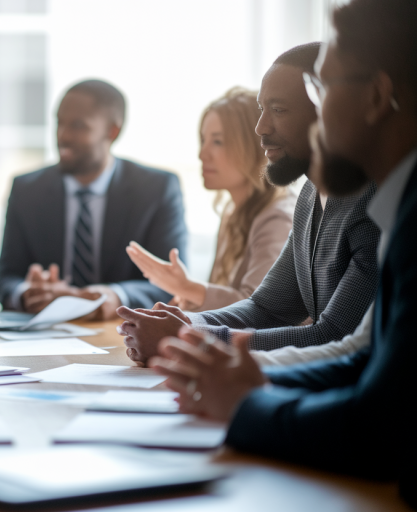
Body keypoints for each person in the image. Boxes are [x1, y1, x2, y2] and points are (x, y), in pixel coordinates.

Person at [151, 0, 417, 505]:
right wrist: (203, 346)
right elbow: (362, 357)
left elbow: (379, 426)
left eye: (323, 86)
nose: (261, 130)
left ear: (377, 97)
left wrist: (245, 401)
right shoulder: (390, 202)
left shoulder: (399, 213)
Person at [118, 42, 381, 362]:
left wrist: (191, 338)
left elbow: (336, 335)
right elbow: (267, 308)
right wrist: (186, 323)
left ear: (325, 109)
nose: (261, 127)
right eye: (261, 109)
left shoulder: (372, 205)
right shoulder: (309, 197)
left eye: (279, 110)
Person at [0, 79, 188, 320]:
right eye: (59, 123)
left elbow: (172, 283)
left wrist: (112, 295)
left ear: (112, 132)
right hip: (44, 333)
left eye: (78, 126)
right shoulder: (27, 189)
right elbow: (7, 278)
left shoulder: (156, 189)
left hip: (118, 335)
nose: (63, 136)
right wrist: (29, 292)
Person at [127, 87, 295, 312]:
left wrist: (187, 288)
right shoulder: (233, 211)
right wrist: (186, 302)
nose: (202, 154)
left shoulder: (277, 218)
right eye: (204, 140)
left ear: (253, 146)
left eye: (217, 142)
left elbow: (260, 311)